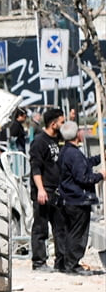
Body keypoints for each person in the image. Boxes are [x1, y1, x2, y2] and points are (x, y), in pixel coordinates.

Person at [56, 123, 103, 275]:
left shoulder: (66, 152)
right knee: (78, 234)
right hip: (78, 200)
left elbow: (84, 164)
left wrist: (100, 158)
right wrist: (101, 175)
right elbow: (84, 177)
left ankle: (68, 263)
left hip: (69, 199)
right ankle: (72, 265)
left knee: (70, 232)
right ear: (77, 135)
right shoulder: (74, 154)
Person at [29, 108, 65, 272]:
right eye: (62, 122)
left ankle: (61, 262)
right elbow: (35, 168)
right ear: (53, 123)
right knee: (40, 229)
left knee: (60, 228)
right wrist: (41, 190)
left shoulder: (60, 139)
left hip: (58, 191)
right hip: (43, 192)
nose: (64, 125)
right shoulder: (39, 142)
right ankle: (39, 262)